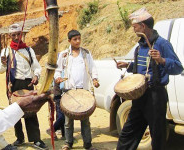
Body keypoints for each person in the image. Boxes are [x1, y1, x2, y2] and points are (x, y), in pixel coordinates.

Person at [115, 8, 183, 150]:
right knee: (128, 133)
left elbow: (178, 67)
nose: (133, 29)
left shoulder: (162, 44)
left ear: (143, 26)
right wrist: (128, 65)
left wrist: (162, 59)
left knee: (157, 135)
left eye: (135, 26)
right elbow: (142, 67)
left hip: (155, 96)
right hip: (140, 96)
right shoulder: (140, 47)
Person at [0, 23, 48, 149]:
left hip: (28, 83)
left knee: (31, 111)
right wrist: (3, 64)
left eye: (18, 34)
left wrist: (36, 76)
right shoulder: (5, 51)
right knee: (15, 113)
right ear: (10, 36)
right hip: (13, 85)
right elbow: (0, 70)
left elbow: (36, 67)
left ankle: (36, 139)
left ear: (21, 34)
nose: (16, 37)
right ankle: (19, 138)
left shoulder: (29, 50)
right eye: (13, 35)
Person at [54, 30, 100, 150]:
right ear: (69, 41)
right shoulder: (64, 55)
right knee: (68, 121)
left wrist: (95, 79)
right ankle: (68, 143)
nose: (78, 41)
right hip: (69, 92)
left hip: (83, 91)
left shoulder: (86, 53)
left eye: (79, 38)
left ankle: (88, 144)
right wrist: (57, 78)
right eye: (75, 39)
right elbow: (58, 70)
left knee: (85, 120)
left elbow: (92, 68)